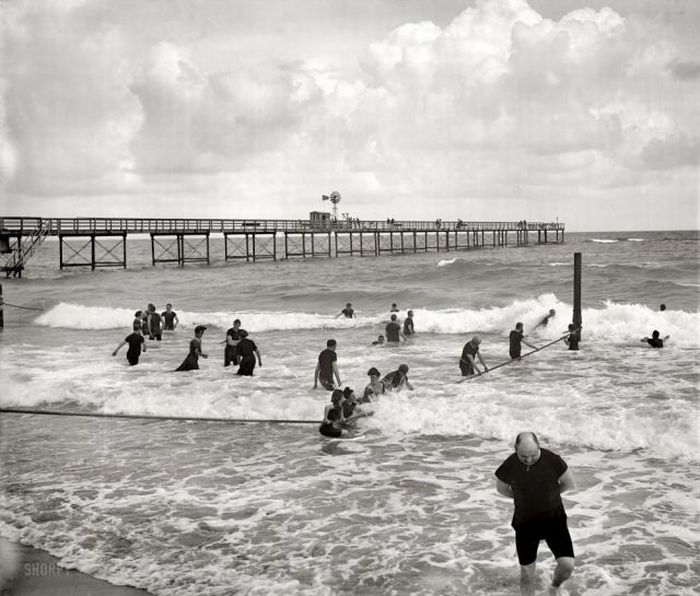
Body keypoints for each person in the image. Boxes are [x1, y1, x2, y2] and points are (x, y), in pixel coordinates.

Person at [495, 432, 576, 596]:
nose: (529, 459)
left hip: (554, 521)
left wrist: (551, 496)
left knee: (567, 566)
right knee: (526, 573)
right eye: (524, 456)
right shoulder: (510, 464)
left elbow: (569, 483)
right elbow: (502, 488)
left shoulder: (552, 460)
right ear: (515, 449)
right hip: (525, 524)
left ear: (539, 447)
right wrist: (522, 499)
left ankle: (553, 587)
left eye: (533, 455)